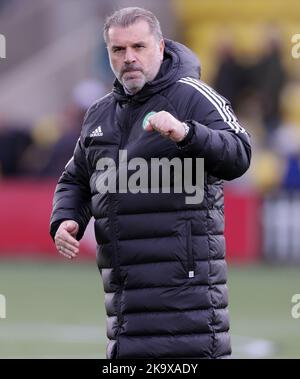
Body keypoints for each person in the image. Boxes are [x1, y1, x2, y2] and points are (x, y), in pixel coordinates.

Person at [50, 7, 251, 359]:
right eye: (118, 50)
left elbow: (239, 153)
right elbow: (77, 178)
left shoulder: (194, 96)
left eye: (138, 47)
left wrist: (187, 134)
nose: (129, 58)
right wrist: (68, 217)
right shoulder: (99, 113)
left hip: (190, 311)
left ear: (160, 47)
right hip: (126, 310)